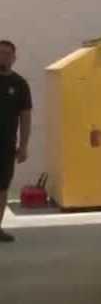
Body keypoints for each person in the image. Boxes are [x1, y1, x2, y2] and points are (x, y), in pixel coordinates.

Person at [0, 40, 32, 243]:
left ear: (14, 57)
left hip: (6, 146)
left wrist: (24, 145)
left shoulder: (20, 84)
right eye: (0, 53)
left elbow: (26, 116)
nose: (3, 56)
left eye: (7, 53)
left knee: (2, 187)